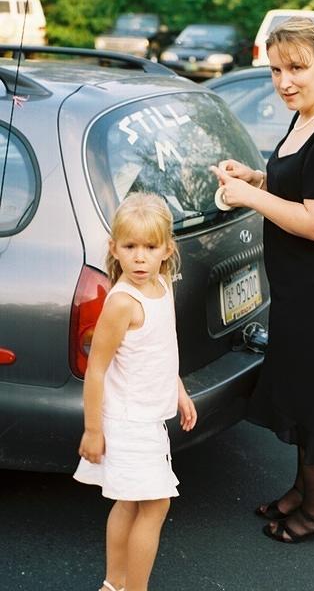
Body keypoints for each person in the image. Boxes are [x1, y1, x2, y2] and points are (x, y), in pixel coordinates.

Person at [211, 17, 314, 546]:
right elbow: (298, 182)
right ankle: (301, 493)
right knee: (305, 393)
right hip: (303, 289)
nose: (284, 81)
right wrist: (257, 177)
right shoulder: (307, 116)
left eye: (297, 68)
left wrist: (250, 198)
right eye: (276, 69)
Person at [73, 192, 197, 591]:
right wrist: (93, 431)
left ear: (166, 249)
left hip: (148, 416)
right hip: (128, 421)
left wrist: (178, 389)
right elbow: (96, 370)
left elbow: (163, 346)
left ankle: (113, 584)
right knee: (156, 504)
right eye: (130, 247)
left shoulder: (161, 284)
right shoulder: (122, 302)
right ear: (115, 248)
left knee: (129, 501)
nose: (140, 257)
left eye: (150, 247)